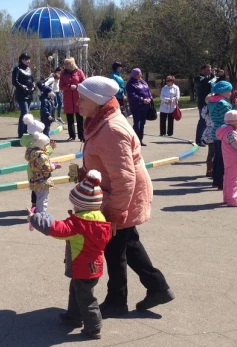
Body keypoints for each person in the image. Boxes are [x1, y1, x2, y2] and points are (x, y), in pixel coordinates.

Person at [72, 76, 174, 317]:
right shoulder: (100, 121)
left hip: (121, 196)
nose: (78, 104)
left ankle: (117, 301)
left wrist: (116, 212)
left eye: (82, 99)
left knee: (115, 249)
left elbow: (124, 177)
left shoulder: (111, 130)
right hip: (116, 194)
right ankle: (158, 287)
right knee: (128, 244)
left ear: (97, 103)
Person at [27, 170, 112, 340]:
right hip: (94, 265)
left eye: (75, 204)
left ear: (80, 204)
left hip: (81, 266)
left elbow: (58, 229)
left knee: (86, 297)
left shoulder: (79, 223)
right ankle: (73, 316)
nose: (74, 207)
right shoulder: (100, 218)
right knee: (77, 290)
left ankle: (94, 327)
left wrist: (35, 219)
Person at [21, 114, 55, 209]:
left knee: (34, 186)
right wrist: (51, 148)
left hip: (31, 167)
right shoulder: (39, 141)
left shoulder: (27, 140)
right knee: (41, 188)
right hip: (40, 169)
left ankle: (34, 204)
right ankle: (39, 208)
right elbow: (46, 153)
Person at [208, 81, 237, 190]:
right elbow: (231, 117)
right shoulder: (222, 104)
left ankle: (216, 180)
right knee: (223, 158)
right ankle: (221, 182)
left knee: (218, 157)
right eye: (229, 91)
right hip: (224, 132)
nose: (230, 93)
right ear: (223, 91)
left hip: (216, 131)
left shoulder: (212, 101)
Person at [25, 132, 61, 213]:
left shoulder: (32, 153)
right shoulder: (42, 156)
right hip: (42, 181)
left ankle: (37, 213)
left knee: (38, 197)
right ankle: (41, 216)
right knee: (43, 199)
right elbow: (46, 167)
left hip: (34, 179)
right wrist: (54, 166)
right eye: (46, 145)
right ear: (42, 146)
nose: (47, 147)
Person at [195, 64, 225, 146]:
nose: (209, 72)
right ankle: (199, 139)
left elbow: (220, 84)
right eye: (208, 70)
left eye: (210, 70)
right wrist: (212, 75)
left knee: (211, 121)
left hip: (212, 102)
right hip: (203, 103)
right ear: (202, 70)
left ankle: (208, 138)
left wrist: (221, 76)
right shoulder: (198, 78)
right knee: (202, 121)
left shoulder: (211, 78)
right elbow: (205, 82)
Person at [59, 57, 86, 142]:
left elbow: (84, 82)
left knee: (79, 118)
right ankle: (72, 136)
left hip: (78, 97)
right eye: (65, 64)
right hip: (68, 99)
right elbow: (61, 86)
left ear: (72, 64)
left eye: (68, 63)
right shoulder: (63, 74)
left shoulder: (79, 72)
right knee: (70, 119)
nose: (66, 65)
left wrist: (77, 86)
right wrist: (69, 87)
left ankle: (82, 136)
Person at [125, 68, 153, 146]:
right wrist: (142, 100)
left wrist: (150, 98)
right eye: (140, 73)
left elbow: (148, 91)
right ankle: (135, 141)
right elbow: (132, 95)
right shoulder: (130, 84)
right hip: (136, 107)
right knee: (137, 124)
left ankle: (140, 140)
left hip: (145, 106)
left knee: (142, 123)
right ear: (136, 74)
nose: (141, 74)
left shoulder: (143, 81)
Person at [12, 53, 35, 137]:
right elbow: (14, 81)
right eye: (26, 59)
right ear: (22, 60)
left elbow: (32, 79)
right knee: (24, 112)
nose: (28, 61)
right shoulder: (17, 69)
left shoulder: (29, 69)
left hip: (29, 93)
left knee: (27, 113)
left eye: (29, 59)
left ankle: (26, 130)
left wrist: (33, 85)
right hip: (21, 94)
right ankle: (21, 132)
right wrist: (23, 86)